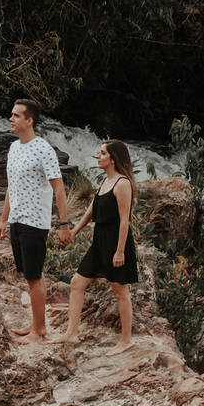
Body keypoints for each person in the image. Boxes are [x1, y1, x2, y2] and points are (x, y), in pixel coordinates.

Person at [52, 140, 139, 356]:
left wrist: (120, 251)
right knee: (76, 283)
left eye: (102, 153)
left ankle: (126, 340)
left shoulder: (122, 183)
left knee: (120, 291)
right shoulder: (104, 181)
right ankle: (71, 333)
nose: (98, 157)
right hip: (99, 241)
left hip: (116, 241)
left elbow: (125, 221)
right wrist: (73, 232)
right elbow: (90, 212)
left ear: (113, 158)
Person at [0, 99, 71, 341]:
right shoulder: (13, 148)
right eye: (11, 114)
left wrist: (63, 224)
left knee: (34, 276)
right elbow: (11, 186)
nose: (11, 119)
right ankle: (36, 324)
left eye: (16, 115)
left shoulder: (44, 149)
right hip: (17, 220)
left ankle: (39, 330)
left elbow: (59, 188)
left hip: (35, 221)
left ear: (29, 121)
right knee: (30, 276)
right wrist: (3, 219)